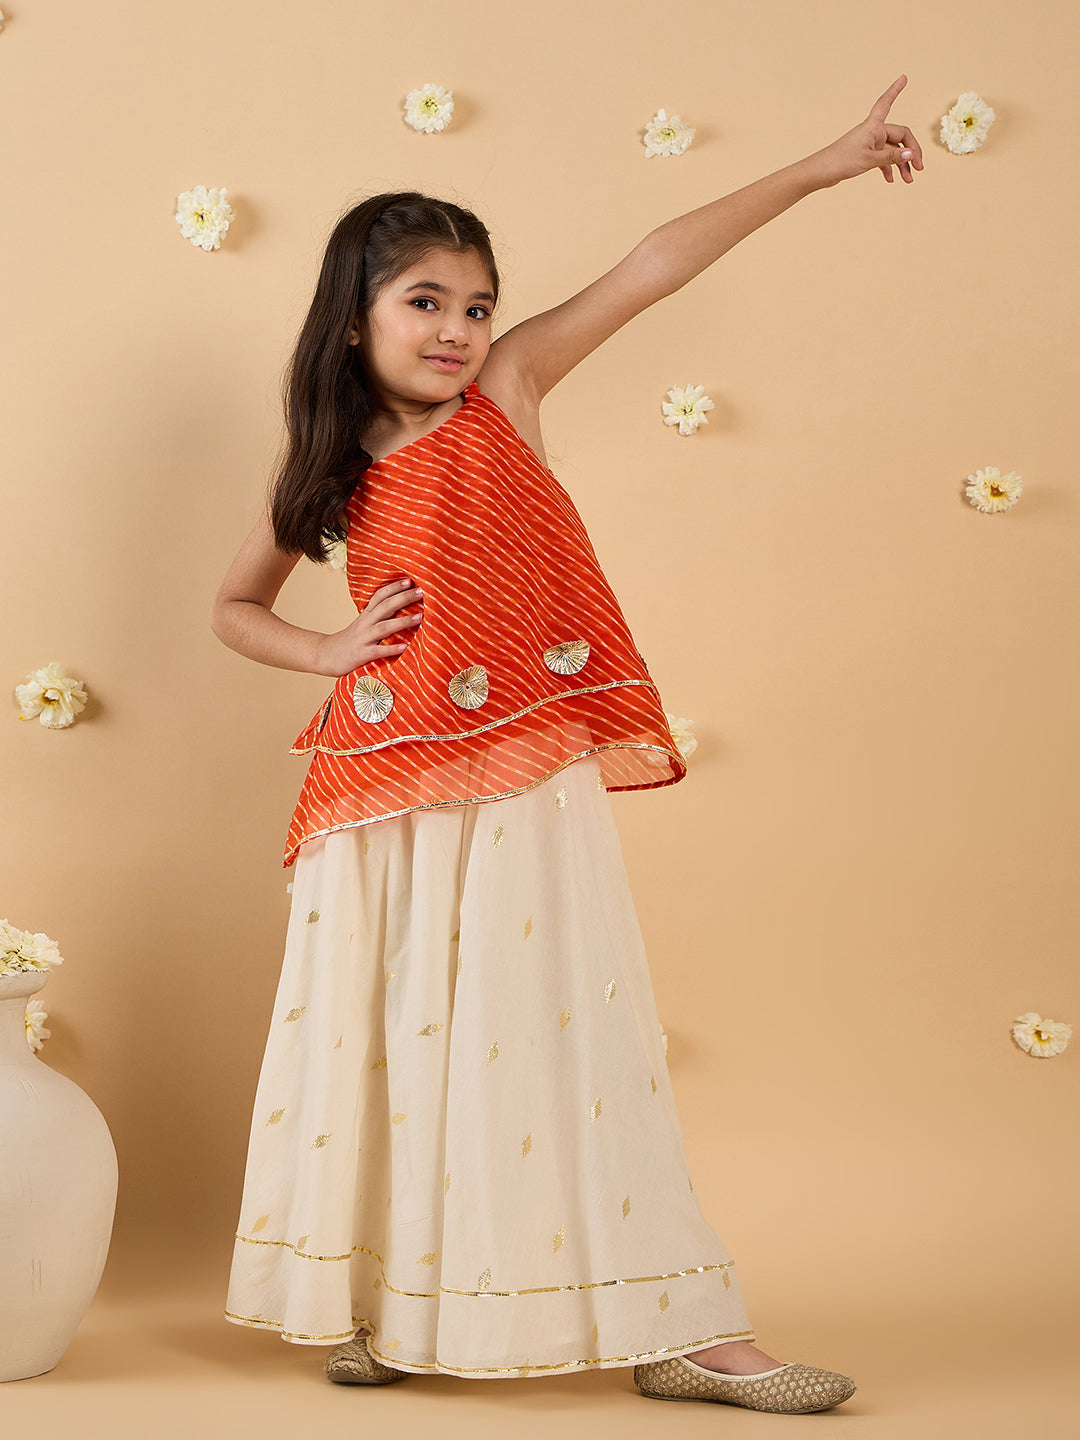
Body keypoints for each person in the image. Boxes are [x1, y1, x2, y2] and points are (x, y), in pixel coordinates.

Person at [211, 75, 922, 1413]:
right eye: (426, 301)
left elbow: (651, 265)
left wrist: (818, 166)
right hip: (380, 784)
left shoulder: (508, 392)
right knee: (404, 1033)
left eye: (478, 305)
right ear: (354, 314)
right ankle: (410, 1307)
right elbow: (235, 608)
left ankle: (682, 1326)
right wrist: (329, 651)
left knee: (556, 1029)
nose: (460, 330)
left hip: (520, 764)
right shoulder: (329, 459)